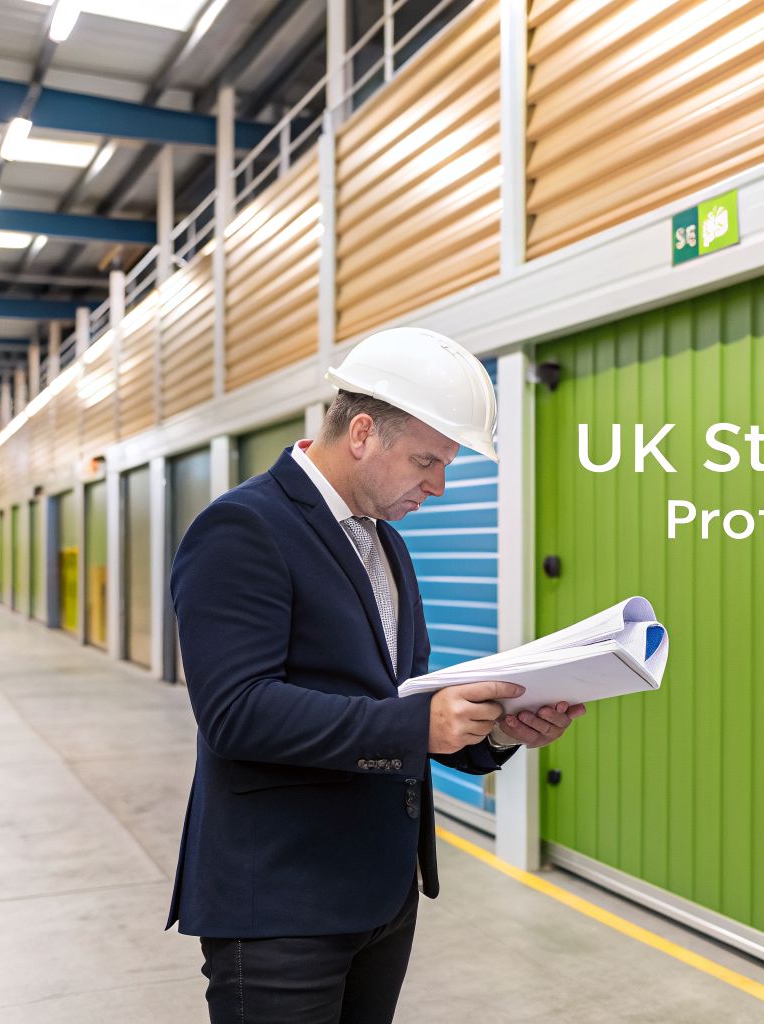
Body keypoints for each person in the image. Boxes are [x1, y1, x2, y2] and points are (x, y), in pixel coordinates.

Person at [166, 327, 585, 1023]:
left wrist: (499, 732)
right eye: (427, 460)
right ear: (361, 432)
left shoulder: (384, 542)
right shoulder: (243, 528)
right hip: (281, 903)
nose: (440, 486)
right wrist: (421, 721)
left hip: (381, 894)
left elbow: (398, 702)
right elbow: (236, 712)